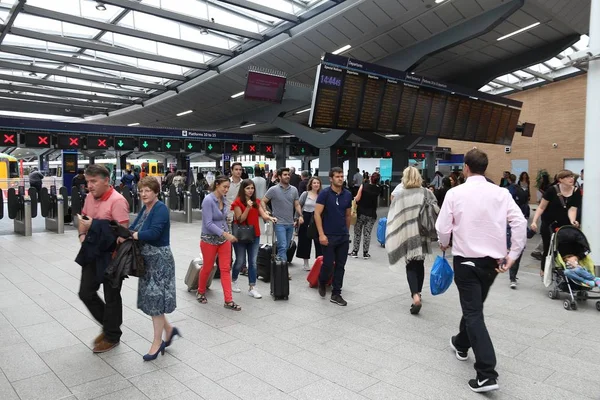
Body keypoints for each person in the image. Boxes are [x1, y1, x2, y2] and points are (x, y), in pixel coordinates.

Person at [435, 148, 526, 393]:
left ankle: (486, 373)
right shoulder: (501, 193)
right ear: (485, 168)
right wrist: (513, 255)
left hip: (465, 261)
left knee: (474, 312)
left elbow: (442, 226)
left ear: (465, 167)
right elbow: (520, 223)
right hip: (491, 265)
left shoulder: (455, 193)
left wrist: (444, 241)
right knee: (474, 307)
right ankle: (460, 343)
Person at [76, 164, 130, 353]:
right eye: (87, 181)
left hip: (112, 256)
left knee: (112, 296)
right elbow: (83, 220)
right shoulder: (90, 198)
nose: (89, 186)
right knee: (85, 293)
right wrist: (82, 236)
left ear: (106, 181)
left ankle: (112, 335)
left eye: (94, 181)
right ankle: (110, 325)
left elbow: (122, 234)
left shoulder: (118, 201)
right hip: (91, 252)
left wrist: (95, 225)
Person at [129, 177, 179, 360]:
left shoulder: (160, 209)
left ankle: (157, 343)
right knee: (152, 301)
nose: (143, 194)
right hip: (147, 261)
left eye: (147, 190)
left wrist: (134, 235)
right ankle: (170, 330)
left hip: (160, 261)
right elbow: (135, 226)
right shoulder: (146, 208)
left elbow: (155, 233)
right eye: (141, 191)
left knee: (156, 303)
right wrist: (125, 233)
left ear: (156, 191)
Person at [386, 167, 437, 314]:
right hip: (422, 233)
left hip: (407, 234)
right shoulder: (427, 192)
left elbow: (393, 216)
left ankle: (415, 295)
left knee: (410, 265)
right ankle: (419, 293)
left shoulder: (400, 195)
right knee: (419, 264)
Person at [197, 176, 241, 311]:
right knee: (208, 267)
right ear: (217, 185)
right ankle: (201, 291)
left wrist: (226, 233)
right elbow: (208, 223)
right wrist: (226, 234)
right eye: (224, 187)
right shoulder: (208, 200)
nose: (226, 190)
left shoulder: (224, 200)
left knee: (225, 269)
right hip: (209, 239)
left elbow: (224, 220)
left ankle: (228, 300)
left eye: (228, 187)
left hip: (223, 240)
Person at [530, 169, 581, 275]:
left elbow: (573, 209)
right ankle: (544, 269)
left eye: (571, 176)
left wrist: (573, 221)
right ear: (560, 180)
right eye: (567, 177)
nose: (571, 179)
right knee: (548, 246)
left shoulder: (576, 191)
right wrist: (534, 221)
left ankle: (563, 269)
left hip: (564, 224)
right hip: (549, 223)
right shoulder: (552, 190)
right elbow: (541, 207)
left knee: (565, 246)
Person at [314, 167, 353, 306]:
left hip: (342, 236)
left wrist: (346, 232)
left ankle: (336, 293)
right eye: (337, 176)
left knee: (341, 266)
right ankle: (322, 281)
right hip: (328, 235)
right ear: (331, 178)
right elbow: (317, 214)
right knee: (328, 264)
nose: (340, 179)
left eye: (342, 176)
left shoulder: (347, 194)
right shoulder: (324, 194)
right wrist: (321, 234)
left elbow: (348, 215)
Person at [231, 179, 277, 298]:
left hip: (254, 235)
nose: (250, 190)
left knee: (253, 262)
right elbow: (240, 219)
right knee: (240, 261)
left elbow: (263, 213)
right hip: (240, 236)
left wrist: (270, 218)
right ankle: (234, 279)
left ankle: (252, 287)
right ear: (243, 189)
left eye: (252, 188)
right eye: (248, 188)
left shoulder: (256, 201)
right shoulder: (237, 203)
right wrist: (247, 207)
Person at [261, 168, 303, 264]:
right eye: (285, 174)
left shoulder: (294, 189)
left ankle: (279, 264)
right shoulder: (273, 190)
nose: (287, 176)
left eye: (288, 174)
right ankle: (283, 270)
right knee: (282, 245)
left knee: (286, 246)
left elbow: (297, 204)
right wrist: (266, 211)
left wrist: (300, 216)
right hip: (279, 223)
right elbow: (263, 201)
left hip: (290, 223)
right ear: (279, 177)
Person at [350, 172, 381, 259]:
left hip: (361, 213)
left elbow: (357, 198)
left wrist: (354, 199)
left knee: (357, 233)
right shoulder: (378, 189)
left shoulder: (364, 186)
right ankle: (365, 253)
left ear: (371, 178)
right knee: (367, 234)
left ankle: (355, 251)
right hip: (371, 214)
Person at [296, 177, 323, 270]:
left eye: (318, 183)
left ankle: (318, 262)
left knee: (318, 240)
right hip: (306, 217)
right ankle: (305, 263)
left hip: (317, 217)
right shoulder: (305, 194)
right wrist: (299, 216)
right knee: (305, 240)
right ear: (311, 184)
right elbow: (299, 204)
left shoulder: (322, 195)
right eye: (314, 183)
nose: (316, 185)